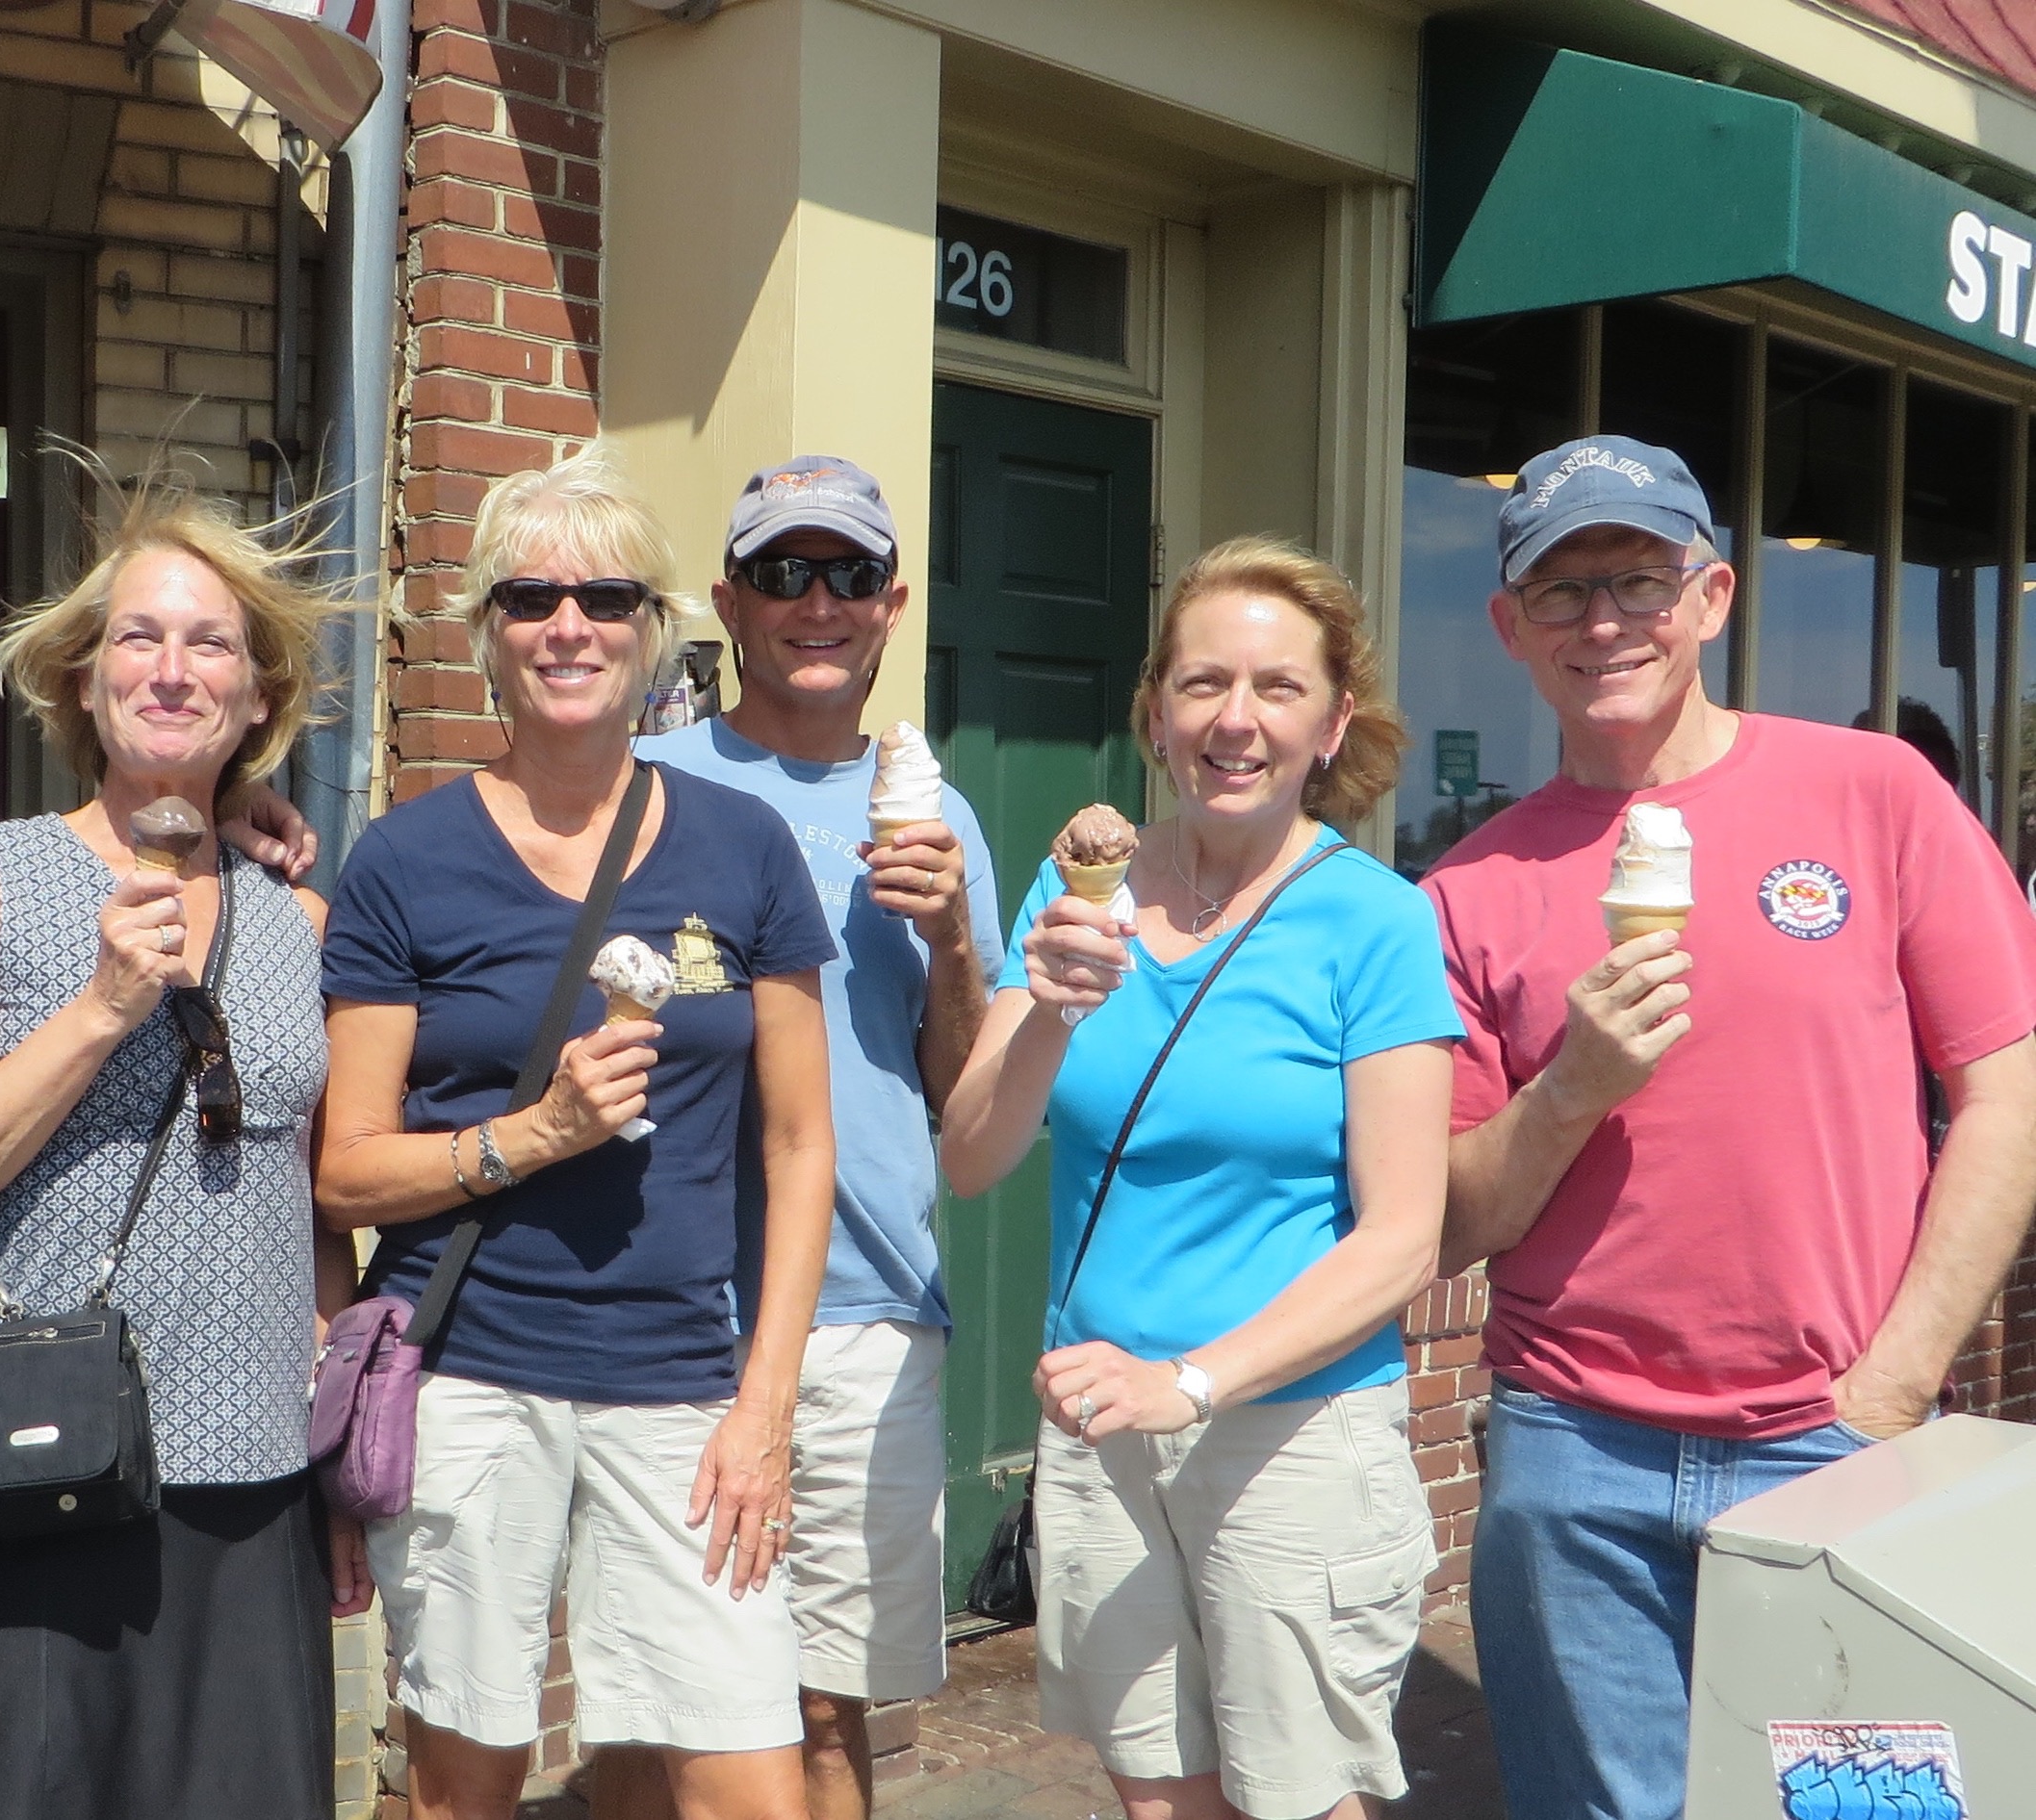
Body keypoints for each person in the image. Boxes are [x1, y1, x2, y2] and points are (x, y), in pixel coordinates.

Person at [1421, 436, 2036, 1820]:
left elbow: (2008, 1094)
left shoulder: (1874, 794)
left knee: (1856, 1813)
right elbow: (1453, 1219)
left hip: (1840, 1438)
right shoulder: (1467, 886)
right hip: (1572, 1461)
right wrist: (1570, 1086)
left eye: (1639, 580)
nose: (1603, 623)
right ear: (1510, 627)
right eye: (1561, 590)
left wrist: (1894, 1386)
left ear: (1711, 597)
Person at [316, 450, 838, 1820]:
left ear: (655, 629)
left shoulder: (744, 847)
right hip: (469, 1380)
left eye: (607, 598)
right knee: (462, 1787)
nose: (569, 627)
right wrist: (533, 1133)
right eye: (530, 598)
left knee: (750, 1787)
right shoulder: (406, 861)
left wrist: (765, 1409)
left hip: (683, 1381)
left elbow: (799, 1148)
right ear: (484, 634)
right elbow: (346, 1167)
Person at [939, 536, 1457, 1820]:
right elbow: (970, 1157)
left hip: (1290, 1438)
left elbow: (1402, 1238)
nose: (1236, 719)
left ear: (1332, 723)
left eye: (1277, 688)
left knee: (1302, 1804)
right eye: (1204, 682)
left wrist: (1191, 1383)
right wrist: (1048, 1011)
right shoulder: (1078, 892)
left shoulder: (1375, 922)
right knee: (1161, 1804)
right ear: (1156, 711)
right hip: (1102, 1432)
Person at [0, 464, 366, 1817]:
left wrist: (339, 1462)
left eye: (210, 644)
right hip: (42, 1460)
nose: (170, 670)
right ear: (83, 683)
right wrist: (100, 1009)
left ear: (257, 696)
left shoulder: (299, 921)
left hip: (255, 1481)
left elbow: (310, 1209)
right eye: (138, 638)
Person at [605, 455, 999, 1820]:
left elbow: (962, 1092)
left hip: (863, 1309)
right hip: (660, 1299)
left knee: (829, 1711)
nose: (816, 602)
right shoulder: (643, 781)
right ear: (730, 603)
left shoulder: (935, 818)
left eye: (848, 573)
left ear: (893, 603)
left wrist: (954, 940)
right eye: (783, 572)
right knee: (645, 1712)